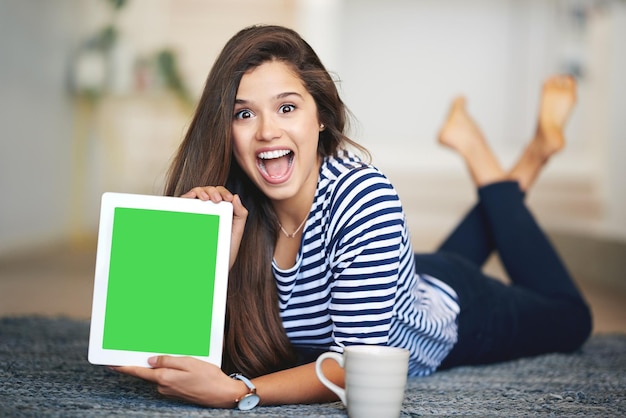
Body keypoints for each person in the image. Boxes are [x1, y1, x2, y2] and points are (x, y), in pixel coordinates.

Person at [112, 24, 591, 408]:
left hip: (454, 311)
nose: (266, 131)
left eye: (286, 107)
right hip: (388, 280)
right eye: (243, 114)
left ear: (319, 116)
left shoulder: (365, 198)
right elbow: (177, 347)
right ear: (226, 130)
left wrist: (241, 391)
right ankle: (518, 154)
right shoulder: (229, 206)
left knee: (572, 319)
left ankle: (496, 156)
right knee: (404, 285)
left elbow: (352, 367)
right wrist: (219, 257)